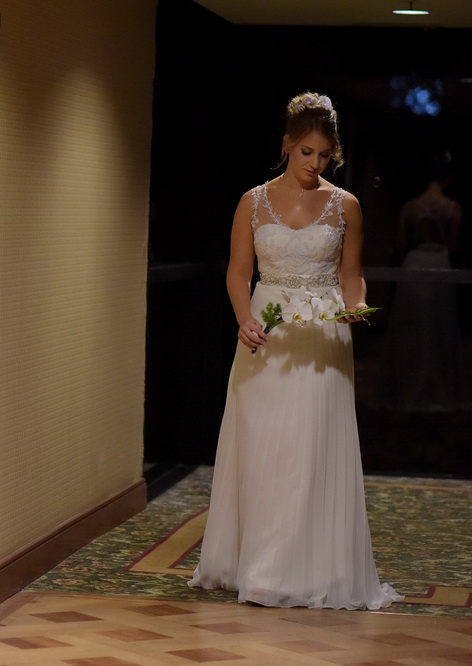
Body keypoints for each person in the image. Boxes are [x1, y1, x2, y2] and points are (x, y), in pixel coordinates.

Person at [187, 92, 402, 610]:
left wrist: (358, 307)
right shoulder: (252, 201)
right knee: (265, 449)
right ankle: (256, 566)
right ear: (287, 145)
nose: (315, 163)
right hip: (266, 331)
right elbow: (239, 272)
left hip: (323, 337)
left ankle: (298, 570)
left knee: (310, 450)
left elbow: (352, 277)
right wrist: (244, 318)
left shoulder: (345, 204)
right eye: (306, 152)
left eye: (324, 155)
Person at [378, 152, 464, 412]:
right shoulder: (452, 208)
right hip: (439, 264)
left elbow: (400, 245)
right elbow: (456, 245)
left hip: (414, 264)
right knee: (438, 325)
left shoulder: (410, 207)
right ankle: (436, 390)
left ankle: (406, 387)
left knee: (411, 325)